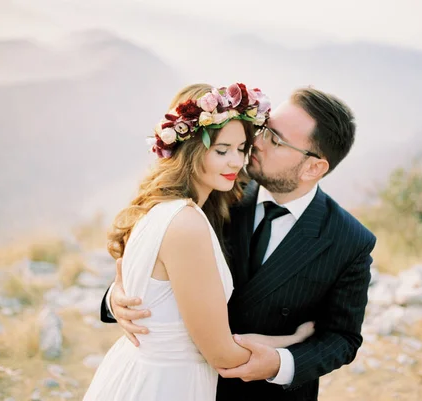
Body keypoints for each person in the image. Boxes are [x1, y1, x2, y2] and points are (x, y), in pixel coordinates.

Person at [105, 86, 376, 401]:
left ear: (313, 167)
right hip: (181, 384)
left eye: (275, 140)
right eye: (263, 129)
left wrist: (280, 362)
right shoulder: (218, 187)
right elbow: (151, 255)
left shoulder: (349, 240)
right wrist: (118, 300)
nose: (255, 143)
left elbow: (343, 338)